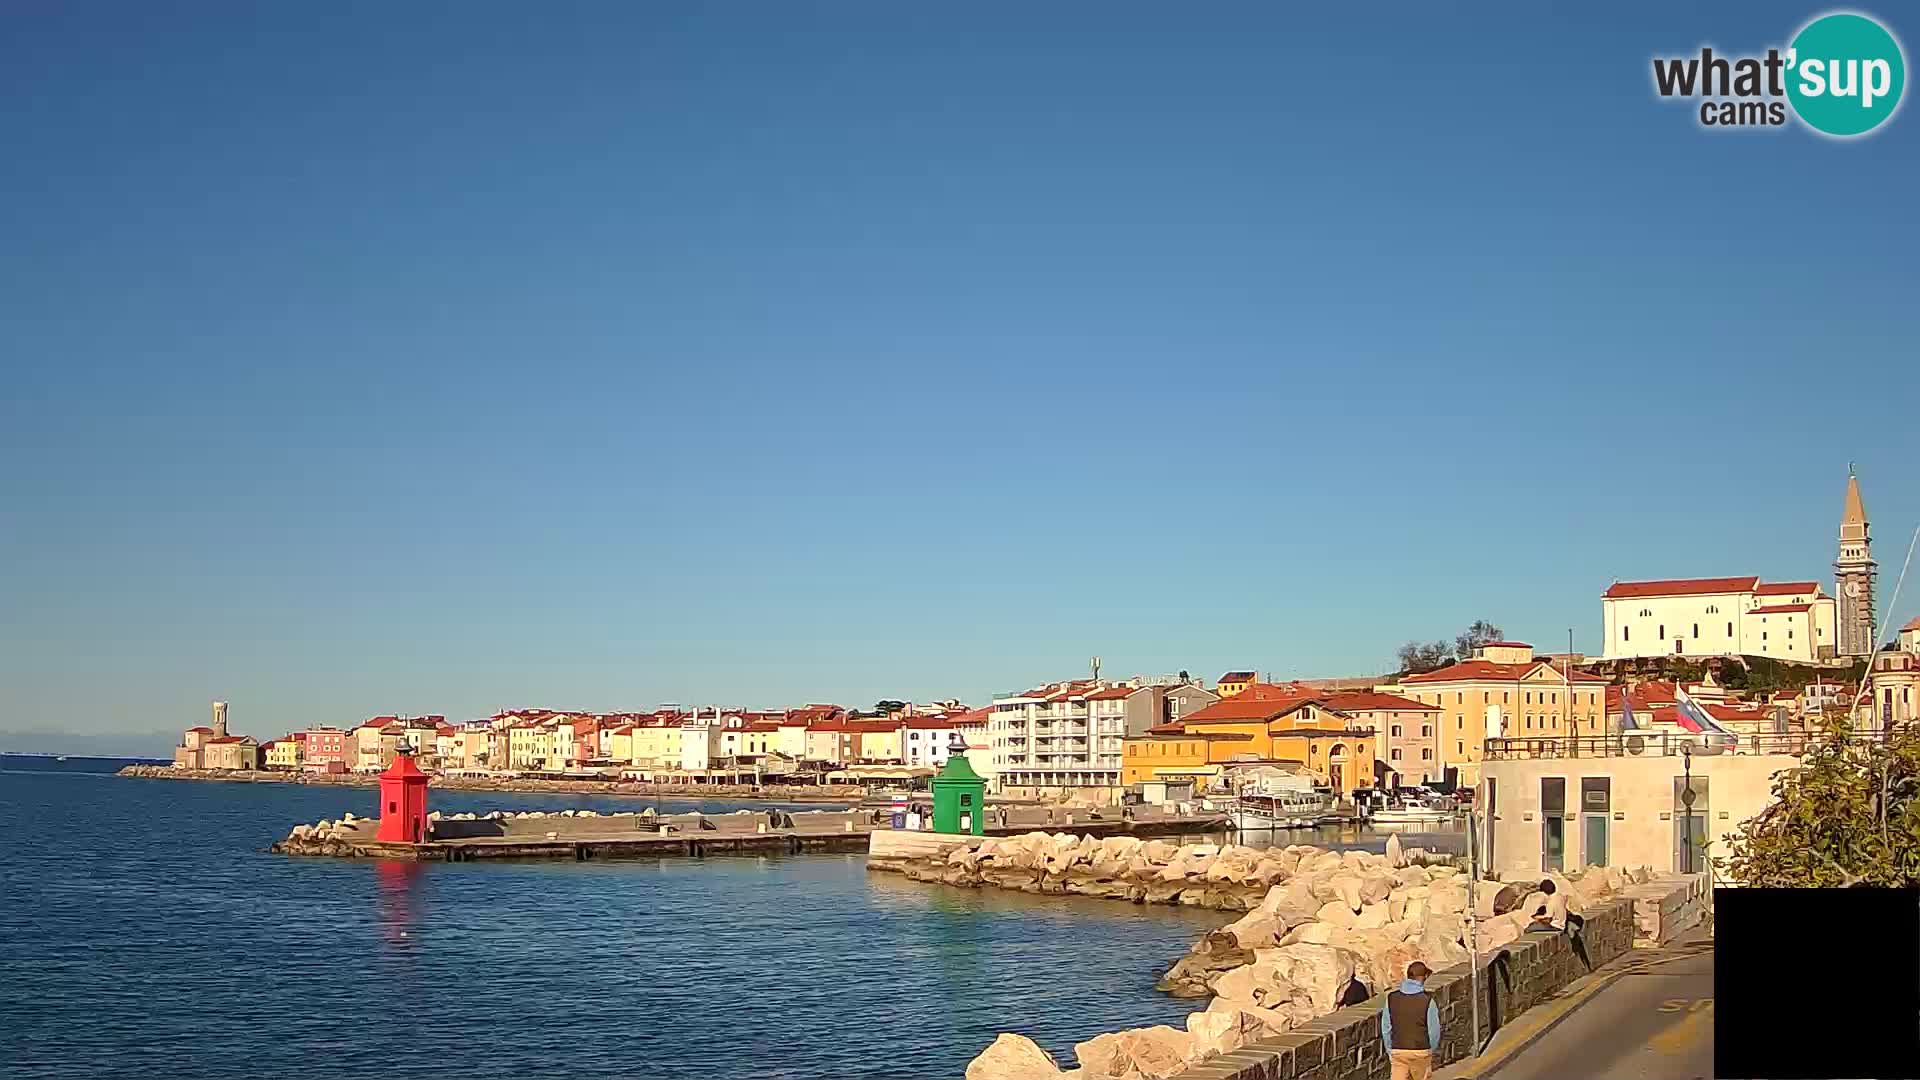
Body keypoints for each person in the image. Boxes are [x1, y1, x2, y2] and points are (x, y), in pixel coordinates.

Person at [1379, 961, 1441, 1080]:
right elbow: (1434, 1031)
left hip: (1398, 1050)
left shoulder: (1391, 998)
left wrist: (1390, 1050)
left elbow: (1386, 1027)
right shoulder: (1427, 1001)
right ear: (1424, 977)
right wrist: (1429, 1051)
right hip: (1421, 1050)